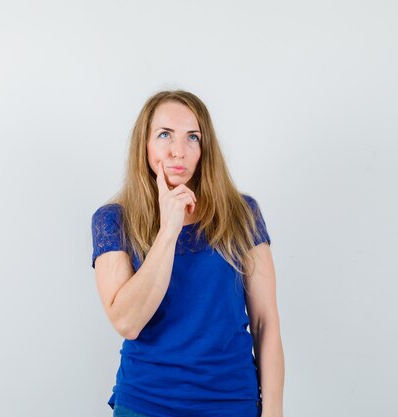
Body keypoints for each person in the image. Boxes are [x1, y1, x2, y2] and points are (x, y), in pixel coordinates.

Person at [91, 90, 284, 417]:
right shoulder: (113, 220)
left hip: (232, 402)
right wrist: (169, 229)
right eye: (164, 135)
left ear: (204, 149)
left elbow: (265, 322)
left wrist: (274, 412)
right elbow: (128, 322)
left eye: (192, 137)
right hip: (146, 402)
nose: (178, 151)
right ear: (145, 145)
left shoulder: (242, 213)